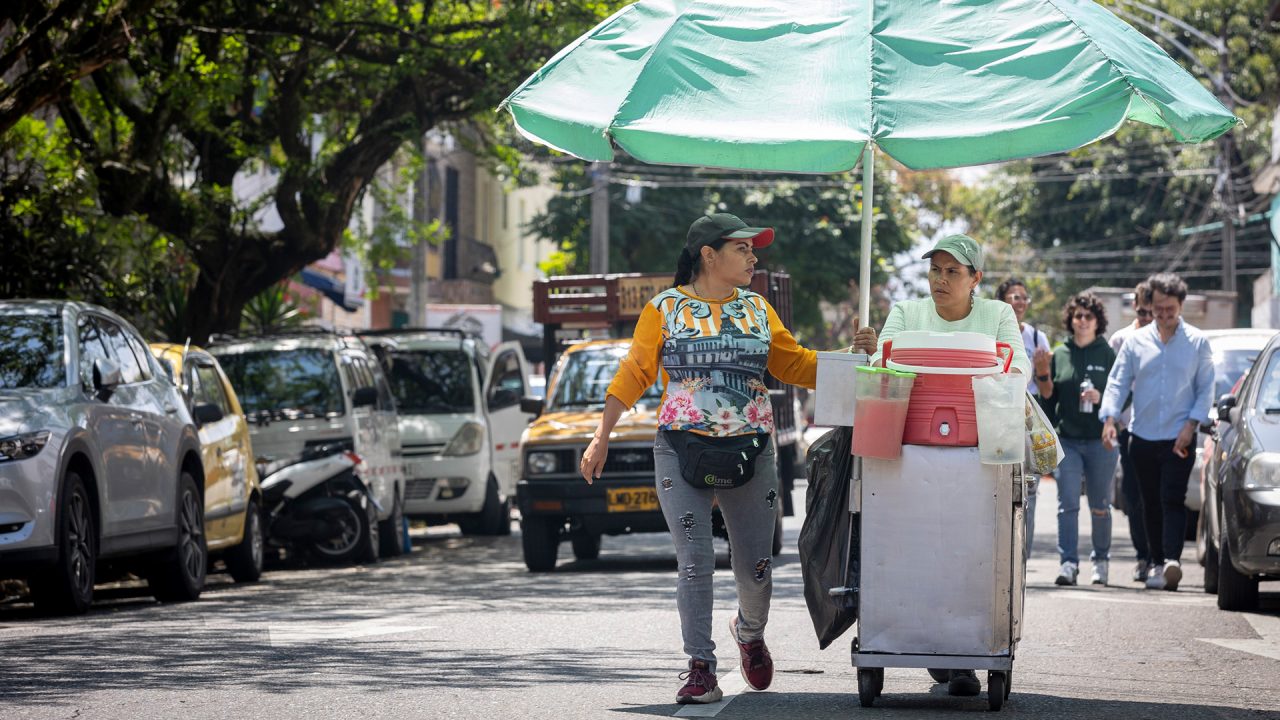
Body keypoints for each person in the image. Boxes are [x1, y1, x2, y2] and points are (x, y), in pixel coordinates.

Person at [580, 212, 877, 705]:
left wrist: (850, 355)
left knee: (755, 567)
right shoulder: (664, 308)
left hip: (751, 448)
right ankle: (700, 667)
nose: (753, 257)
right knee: (694, 562)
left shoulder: (757, 308)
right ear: (709, 255)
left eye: (753, 249)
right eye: (742, 248)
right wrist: (601, 434)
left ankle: (750, 632)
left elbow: (793, 363)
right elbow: (635, 370)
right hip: (679, 447)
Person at [871, 234, 1031, 698]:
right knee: (914, 552)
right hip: (908, 452)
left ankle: (964, 659)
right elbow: (882, 364)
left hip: (978, 454)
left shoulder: (997, 315)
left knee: (969, 556)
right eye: (935, 270)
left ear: (975, 278)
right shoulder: (907, 312)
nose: (940, 279)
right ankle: (922, 640)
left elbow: (1016, 369)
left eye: (953, 272)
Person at [1099, 273, 1213, 591]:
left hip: (1180, 436)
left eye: (1170, 309)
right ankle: (1157, 562)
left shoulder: (1197, 342)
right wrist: (1109, 418)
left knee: (1172, 498)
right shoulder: (1135, 342)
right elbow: (1118, 382)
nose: (1164, 315)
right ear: (1151, 306)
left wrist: (1191, 425)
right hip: (1142, 436)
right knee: (1149, 501)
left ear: (1181, 306)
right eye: (1158, 309)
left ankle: (1172, 560)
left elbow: (1206, 389)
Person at [1034, 292, 1117, 586]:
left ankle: (1101, 561)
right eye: (1077, 316)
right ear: (1070, 319)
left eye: (1088, 316)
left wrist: (1101, 397)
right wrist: (1042, 374)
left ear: (1097, 321)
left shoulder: (1107, 354)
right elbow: (1047, 398)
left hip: (1099, 441)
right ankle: (1068, 563)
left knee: (1100, 504)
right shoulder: (1060, 354)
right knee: (1067, 504)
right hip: (1067, 440)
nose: (1082, 321)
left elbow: (1122, 393)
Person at [998, 277, 1050, 558]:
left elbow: (1047, 390)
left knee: (1028, 491)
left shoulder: (1037, 338)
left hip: (1028, 421)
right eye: (1014, 297)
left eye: (1024, 298)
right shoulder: (994, 332)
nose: (1020, 302)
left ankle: (1023, 559)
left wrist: (1042, 371)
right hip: (1000, 418)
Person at [1107, 281, 1154, 582]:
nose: (1147, 318)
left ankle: (1160, 555)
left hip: (1162, 428)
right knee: (1133, 494)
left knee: (1157, 494)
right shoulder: (1121, 339)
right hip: (1129, 429)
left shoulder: (1167, 338)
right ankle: (1143, 556)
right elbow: (1114, 383)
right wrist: (1113, 420)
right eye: (1142, 312)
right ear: (1134, 307)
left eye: (1152, 313)